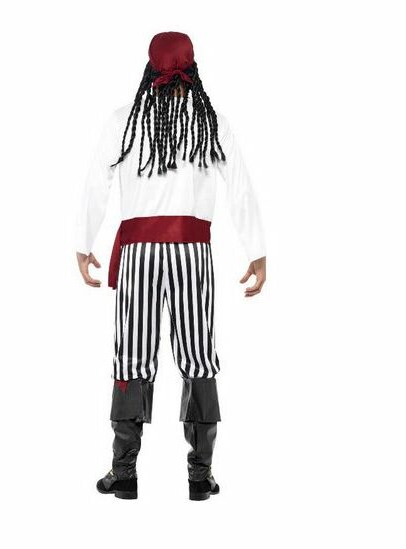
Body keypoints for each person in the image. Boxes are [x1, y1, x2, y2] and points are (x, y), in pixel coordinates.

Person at [76, 31, 266, 501]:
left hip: (138, 254)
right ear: (192, 69)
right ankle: (200, 477)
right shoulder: (210, 122)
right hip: (191, 253)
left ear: (150, 69)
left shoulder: (125, 120)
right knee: (198, 354)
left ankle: (124, 473)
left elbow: (96, 183)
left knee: (133, 354)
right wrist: (257, 250)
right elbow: (240, 187)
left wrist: (84, 242)